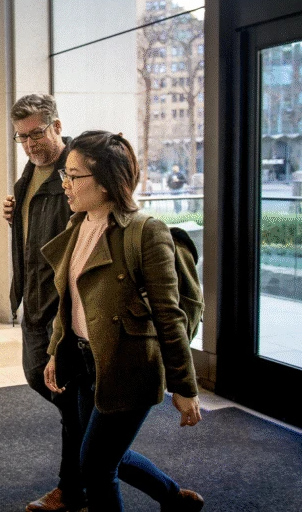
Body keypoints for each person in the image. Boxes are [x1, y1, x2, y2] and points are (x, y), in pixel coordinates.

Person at [40, 131, 204, 512]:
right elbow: (69, 300)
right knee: (103, 453)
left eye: (73, 175)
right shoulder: (78, 225)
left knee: (96, 466)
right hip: (87, 363)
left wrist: (184, 386)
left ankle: (171, 498)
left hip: (129, 366)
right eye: (65, 174)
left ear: (105, 180)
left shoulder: (145, 232)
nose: (65, 184)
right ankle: (173, 499)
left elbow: (169, 315)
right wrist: (54, 351)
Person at [2, 95, 82, 512]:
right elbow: (35, 231)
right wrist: (15, 212)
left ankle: (73, 488)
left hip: (61, 304)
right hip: (32, 296)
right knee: (39, 377)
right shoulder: (29, 173)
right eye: (22, 137)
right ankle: (96, 451)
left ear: (57, 126)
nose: (30, 144)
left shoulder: (75, 171)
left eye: (36, 133)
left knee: (68, 397)